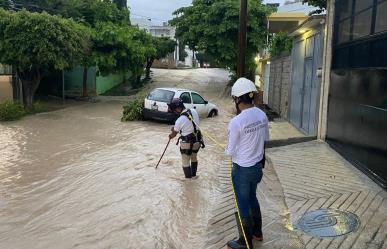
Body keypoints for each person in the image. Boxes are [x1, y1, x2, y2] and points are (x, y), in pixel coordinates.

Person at [225, 78, 270, 249]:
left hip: (242, 171)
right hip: (257, 168)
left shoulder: (236, 122)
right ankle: (257, 233)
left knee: (242, 203)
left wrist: (227, 148)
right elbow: (265, 140)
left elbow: (229, 151)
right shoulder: (262, 115)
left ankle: (245, 241)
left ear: (237, 99)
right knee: (252, 198)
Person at [168, 98, 204, 179]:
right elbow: (191, 124)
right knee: (194, 157)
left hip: (187, 143)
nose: (174, 112)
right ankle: (194, 176)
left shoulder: (179, 120)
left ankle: (189, 182)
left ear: (178, 108)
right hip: (197, 141)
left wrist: (170, 135)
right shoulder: (193, 111)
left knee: (185, 162)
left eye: (174, 110)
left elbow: (173, 134)